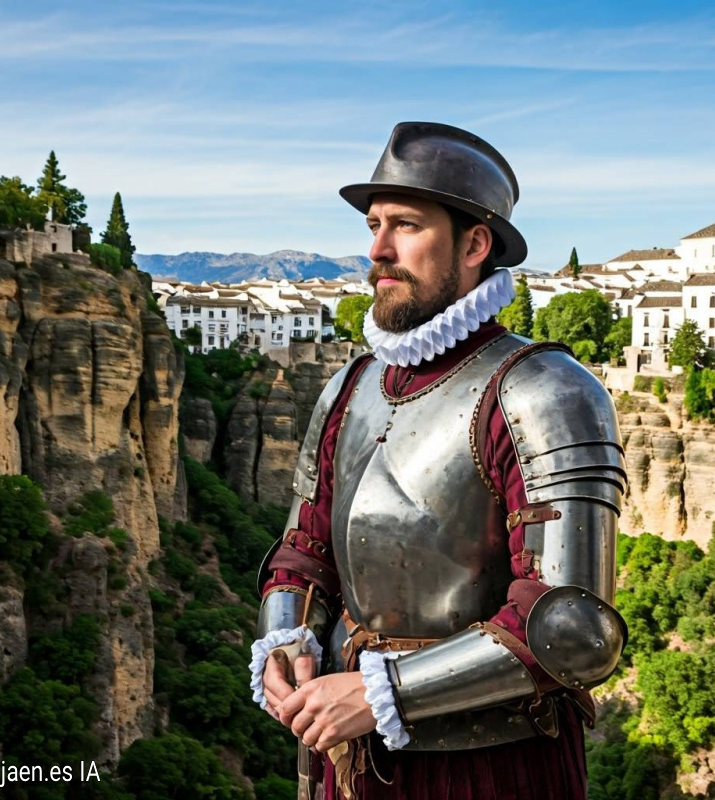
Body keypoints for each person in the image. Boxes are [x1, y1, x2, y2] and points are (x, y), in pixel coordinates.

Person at [249, 121, 627, 800]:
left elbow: (571, 627)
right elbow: (302, 548)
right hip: (348, 753)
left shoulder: (543, 392)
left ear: (475, 244)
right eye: (373, 226)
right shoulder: (350, 386)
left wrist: (381, 690)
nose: (378, 251)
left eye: (406, 226)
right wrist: (285, 642)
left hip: (490, 767)